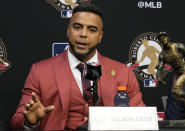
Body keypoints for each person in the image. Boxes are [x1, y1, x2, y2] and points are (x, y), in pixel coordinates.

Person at [9, 3, 145, 130]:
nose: (83, 34)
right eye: (77, 27)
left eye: (91, 30)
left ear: (100, 36)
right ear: (68, 31)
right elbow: (16, 122)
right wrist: (30, 122)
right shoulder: (40, 71)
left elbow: (142, 121)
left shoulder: (123, 73)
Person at [156, 32, 185, 119]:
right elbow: (174, 124)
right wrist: (158, 77)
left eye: (164, 37)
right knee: (176, 91)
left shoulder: (179, 47)